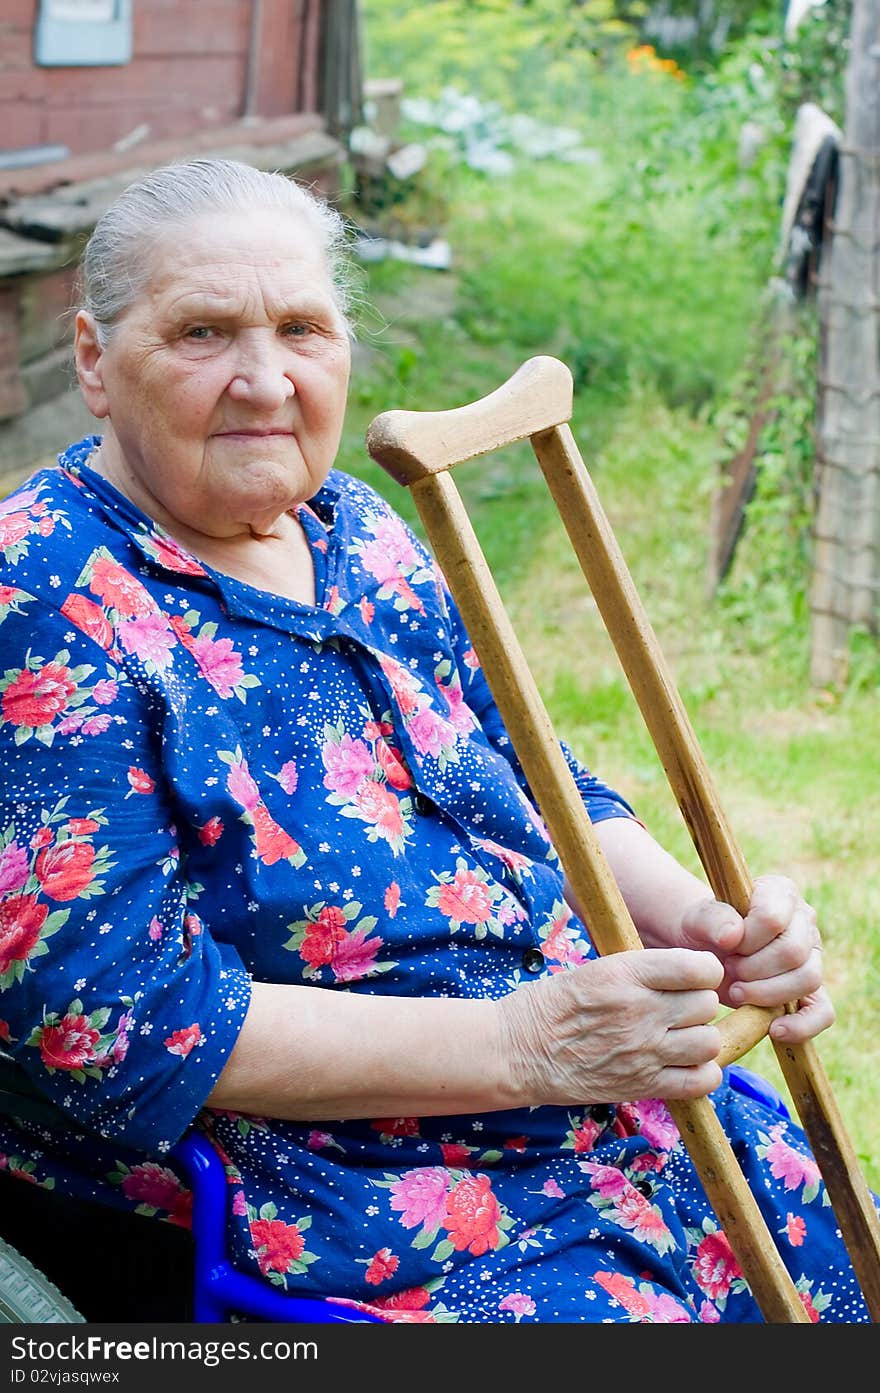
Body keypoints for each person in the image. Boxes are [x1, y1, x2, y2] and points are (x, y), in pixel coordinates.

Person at [0, 157, 871, 1325]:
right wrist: (527, 1044)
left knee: (831, 1259)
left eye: (303, 328)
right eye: (203, 332)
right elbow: (117, 1029)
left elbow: (534, 783)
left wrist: (701, 927)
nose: (266, 381)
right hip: (344, 1187)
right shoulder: (42, 589)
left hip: (593, 1102)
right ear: (97, 361)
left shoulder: (356, 530)